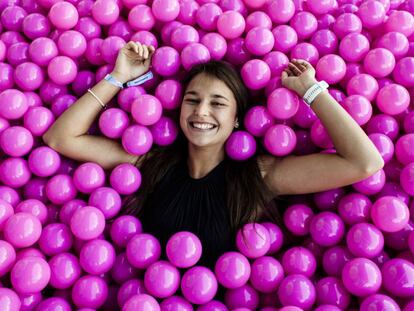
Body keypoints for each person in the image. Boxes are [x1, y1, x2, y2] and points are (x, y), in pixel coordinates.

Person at [43, 41, 384, 268]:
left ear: (237, 119)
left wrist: (311, 90)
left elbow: (363, 162)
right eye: (192, 99)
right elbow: (61, 138)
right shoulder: (151, 162)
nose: (201, 112)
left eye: (217, 103)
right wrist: (118, 78)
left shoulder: (257, 174)